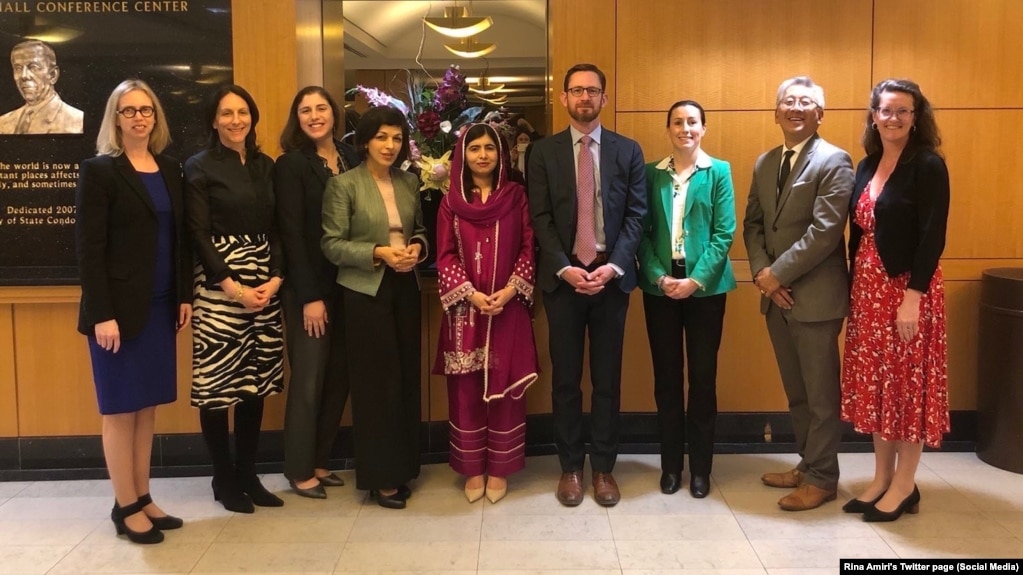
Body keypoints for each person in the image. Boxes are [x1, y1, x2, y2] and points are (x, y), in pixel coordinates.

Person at [75, 79, 190, 544]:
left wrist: (184, 294)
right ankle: (124, 507)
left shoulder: (169, 169)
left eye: (146, 110)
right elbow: (89, 248)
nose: (139, 117)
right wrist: (102, 313)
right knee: (121, 410)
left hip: (161, 307)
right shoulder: (100, 171)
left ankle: (142, 497)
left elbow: (178, 240)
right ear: (116, 118)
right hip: (117, 315)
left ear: (156, 117)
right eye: (129, 111)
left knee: (147, 409)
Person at [527, 63, 646, 507]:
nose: (584, 97)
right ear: (563, 98)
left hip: (611, 281)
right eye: (576, 90)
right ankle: (571, 467)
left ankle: (605, 470)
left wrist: (612, 266)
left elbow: (636, 214)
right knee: (566, 380)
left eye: (592, 90)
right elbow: (539, 217)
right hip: (564, 283)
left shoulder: (627, 150)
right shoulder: (542, 153)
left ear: (604, 98)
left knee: (608, 379)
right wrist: (563, 266)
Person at [742, 76, 854, 512]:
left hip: (815, 298)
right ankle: (809, 464)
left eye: (805, 102)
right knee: (797, 392)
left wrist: (778, 274)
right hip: (776, 296)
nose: (795, 107)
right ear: (776, 113)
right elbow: (753, 224)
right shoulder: (765, 162)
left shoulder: (835, 160)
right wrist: (761, 274)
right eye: (788, 101)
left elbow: (825, 232)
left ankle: (824, 478)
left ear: (819, 114)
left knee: (822, 395)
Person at [840, 79, 949, 522]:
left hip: (907, 291)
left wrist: (912, 298)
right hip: (868, 292)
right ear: (874, 115)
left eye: (903, 111)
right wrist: (853, 289)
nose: (893, 118)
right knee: (877, 390)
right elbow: (860, 232)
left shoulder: (928, 164)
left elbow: (932, 235)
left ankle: (906, 485)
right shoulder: (867, 164)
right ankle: (881, 478)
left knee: (906, 389)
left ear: (916, 117)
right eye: (886, 110)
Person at [321, 105, 428, 510]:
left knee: (404, 379)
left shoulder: (409, 182)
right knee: (375, 387)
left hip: (405, 288)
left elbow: (418, 230)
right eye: (382, 137)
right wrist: (379, 252)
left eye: (397, 138)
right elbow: (331, 244)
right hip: (365, 291)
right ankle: (380, 477)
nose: (390, 145)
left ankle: (404, 467)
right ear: (365, 140)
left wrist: (417, 247)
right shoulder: (344, 185)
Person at [185, 85, 285, 513]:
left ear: (253, 117)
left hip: (264, 284)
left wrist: (276, 277)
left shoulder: (267, 165)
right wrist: (231, 285)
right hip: (219, 286)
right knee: (217, 386)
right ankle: (223, 477)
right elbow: (197, 233)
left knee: (254, 383)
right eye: (226, 113)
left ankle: (248, 473)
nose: (236, 120)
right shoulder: (199, 166)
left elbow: (279, 226)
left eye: (242, 112)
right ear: (213, 120)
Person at [434, 123, 539, 504]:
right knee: (465, 390)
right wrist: (472, 295)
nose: (482, 155)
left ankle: (500, 467)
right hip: (466, 311)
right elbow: (443, 253)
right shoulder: (450, 201)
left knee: (506, 388)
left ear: (501, 155)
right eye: (474, 148)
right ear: (463, 154)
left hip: (508, 307)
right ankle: (472, 467)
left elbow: (530, 246)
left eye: (489, 148)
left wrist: (512, 289)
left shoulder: (517, 196)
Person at [637, 100, 736, 499]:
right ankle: (671, 467)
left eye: (692, 122)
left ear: (704, 128)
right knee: (666, 381)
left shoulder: (720, 172)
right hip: (660, 289)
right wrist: (659, 276)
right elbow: (640, 232)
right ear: (668, 130)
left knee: (702, 380)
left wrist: (694, 281)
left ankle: (700, 469)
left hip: (705, 291)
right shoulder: (650, 174)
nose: (685, 129)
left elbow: (723, 233)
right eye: (677, 122)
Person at [275, 86, 361, 499]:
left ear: (334, 113)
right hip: (310, 290)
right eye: (305, 110)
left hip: (350, 284)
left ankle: (321, 460)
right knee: (309, 378)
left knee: (339, 376)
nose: (314, 116)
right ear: (297, 117)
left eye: (321, 108)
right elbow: (290, 233)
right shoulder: (291, 165)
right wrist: (309, 296)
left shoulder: (352, 157)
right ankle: (298, 468)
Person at [0, 39, 83, 134]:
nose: (24, 76)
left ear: (53, 75)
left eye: (33, 67)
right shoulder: (3, 122)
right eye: (18, 68)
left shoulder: (76, 122)